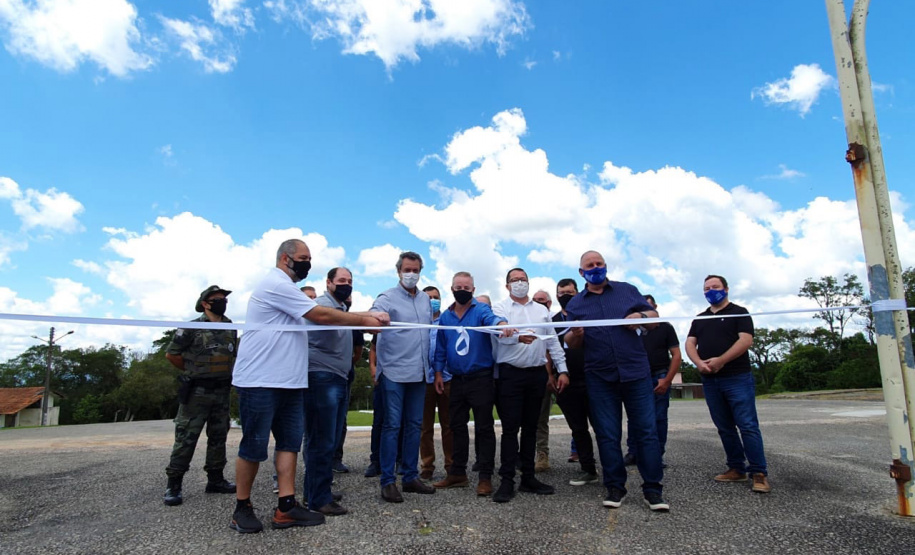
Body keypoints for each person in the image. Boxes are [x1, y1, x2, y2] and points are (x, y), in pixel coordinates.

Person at [229, 239, 389, 534]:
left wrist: (362, 318)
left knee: (289, 444)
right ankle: (242, 507)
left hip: (291, 380)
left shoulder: (289, 289)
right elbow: (320, 315)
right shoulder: (276, 284)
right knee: (253, 446)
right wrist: (366, 319)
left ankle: (286, 507)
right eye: (303, 258)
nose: (307, 264)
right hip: (260, 380)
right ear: (285, 258)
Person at [564, 250, 669, 512]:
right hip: (600, 377)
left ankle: (653, 489)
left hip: (636, 373)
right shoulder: (576, 304)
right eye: (590, 265)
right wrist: (576, 334)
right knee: (608, 435)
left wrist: (641, 317)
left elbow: (654, 318)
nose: (595, 268)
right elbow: (570, 342)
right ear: (581, 272)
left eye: (599, 263)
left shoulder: (627, 290)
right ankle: (614, 487)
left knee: (646, 432)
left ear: (606, 266)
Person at [303, 267, 379, 516]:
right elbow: (333, 319)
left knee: (329, 438)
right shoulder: (323, 305)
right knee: (321, 439)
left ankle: (317, 490)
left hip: (337, 376)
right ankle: (318, 498)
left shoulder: (341, 309)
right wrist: (368, 318)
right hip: (322, 377)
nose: (346, 284)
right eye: (341, 280)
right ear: (328, 282)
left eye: (350, 281)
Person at [686, 275, 770, 493]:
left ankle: (758, 473)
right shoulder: (700, 318)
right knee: (724, 427)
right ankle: (736, 468)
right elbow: (690, 343)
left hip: (737, 377)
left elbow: (746, 340)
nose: (711, 291)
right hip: (710, 380)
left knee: (747, 425)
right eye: (707, 288)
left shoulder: (739, 312)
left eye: (715, 287)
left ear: (726, 288)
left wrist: (721, 361)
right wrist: (699, 363)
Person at [491, 268, 569, 503]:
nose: (519, 283)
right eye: (514, 280)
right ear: (507, 285)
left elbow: (552, 341)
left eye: (523, 279)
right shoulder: (500, 308)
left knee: (531, 428)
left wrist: (563, 369)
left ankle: (528, 477)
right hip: (510, 375)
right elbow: (497, 334)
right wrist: (517, 337)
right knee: (510, 429)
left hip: (536, 374)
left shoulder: (541, 310)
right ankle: (507, 480)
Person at [432, 272, 510, 496]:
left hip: (481, 378)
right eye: (458, 287)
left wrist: (502, 324)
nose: (462, 290)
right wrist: (438, 372)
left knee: (484, 427)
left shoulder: (480, 310)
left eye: (466, 287)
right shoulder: (445, 317)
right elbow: (440, 347)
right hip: (456, 379)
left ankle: (485, 476)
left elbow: (492, 319)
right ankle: (457, 473)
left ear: (473, 290)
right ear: (452, 289)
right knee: (456, 426)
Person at [370, 251, 437, 502]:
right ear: (398, 271)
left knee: (414, 426)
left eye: (415, 270)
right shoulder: (386, 297)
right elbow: (374, 313)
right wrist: (378, 315)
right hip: (394, 372)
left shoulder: (425, 300)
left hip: (419, 373)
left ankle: (410, 477)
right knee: (392, 426)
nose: (411, 274)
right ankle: (388, 481)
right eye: (407, 270)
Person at [163, 285, 238, 506]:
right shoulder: (191, 327)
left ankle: (215, 479)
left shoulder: (230, 327)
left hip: (221, 391)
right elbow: (172, 354)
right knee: (186, 438)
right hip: (197, 392)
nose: (222, 302)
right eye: (217, 299)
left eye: (224, 299)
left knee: (218, 437)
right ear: (205, 303)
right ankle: (174, 484)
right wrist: (193, 371)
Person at [624, 294, 681, 467]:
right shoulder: (630, 328)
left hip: (659, 376)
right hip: (636, 378)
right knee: (634, 417)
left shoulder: (665, 327)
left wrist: (667, 380)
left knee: (659, 417)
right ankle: (633, 452)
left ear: (655, 308)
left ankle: (656, 454)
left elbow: (676, 355)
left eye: (648, 308)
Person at [552, 278, 598, 486]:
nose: (566, 297)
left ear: (577, 293)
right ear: (557, 296)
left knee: (603, 427)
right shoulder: (552, 321)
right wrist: (550, 375)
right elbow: (547, 350)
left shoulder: (589, 316)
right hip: (566, 381)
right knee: (578, 428)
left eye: (570, 293)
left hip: (593, 379)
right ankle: (588, 469)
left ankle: (612, 469)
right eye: (562, 293)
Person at [420, 286, 453, 481]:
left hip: (447, 378)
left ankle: (451, 465)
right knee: (425, 427)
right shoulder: (418, 322)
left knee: (449, 426)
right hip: (424, 379)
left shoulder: (447, 321)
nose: (433, 300)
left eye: (436, 297)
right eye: (429, 297)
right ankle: (427, 465)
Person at [531, 290, 555, 473]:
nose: (538, 303)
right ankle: (534, 455)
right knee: (534, 418)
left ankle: (542, 453)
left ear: (549, 303)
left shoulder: (555, 320)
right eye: (535, 300)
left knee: (542, 419)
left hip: (560, 374)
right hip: (539, 374)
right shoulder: (531, 320)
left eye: (542, 300)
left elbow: (553, 348)